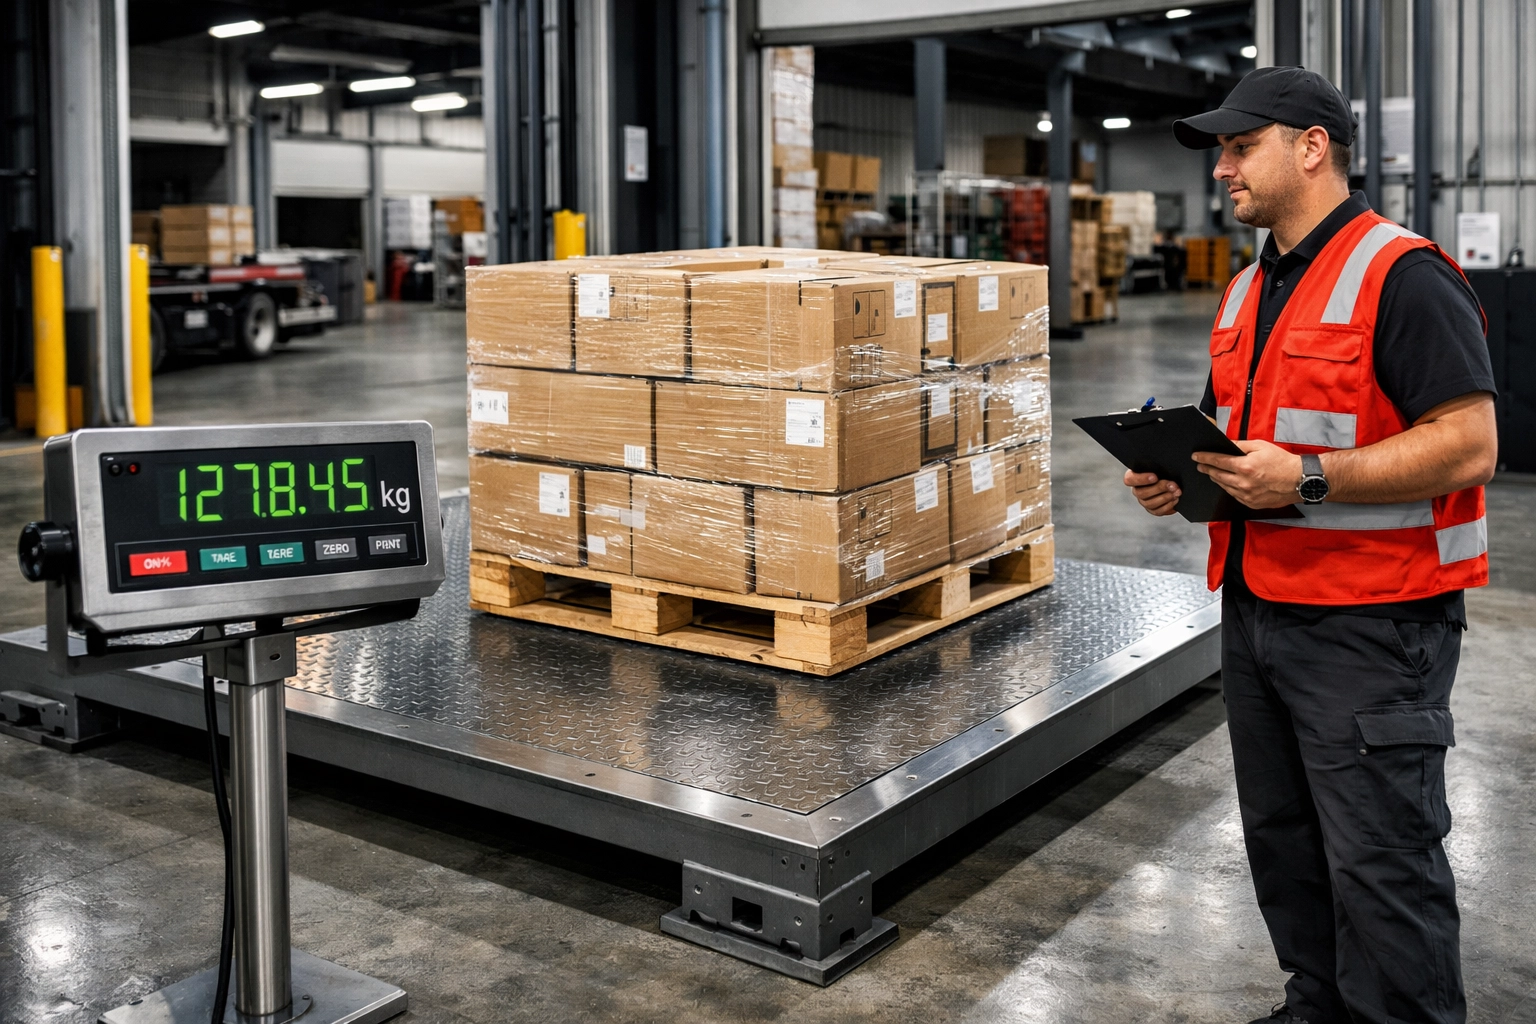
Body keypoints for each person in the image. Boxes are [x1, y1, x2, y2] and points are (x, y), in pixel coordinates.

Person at [1123, 66, 1499, 1024]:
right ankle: (1317, 1006)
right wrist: (1178, 480)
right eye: (1221, 152)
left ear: (1312, 147)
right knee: (1284, 840)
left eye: (1240, 148)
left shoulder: (1402, 275)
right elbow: (1235, 442)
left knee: (1381, 858)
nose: (1223, 170)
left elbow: (1470, 444)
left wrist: (1311, 479)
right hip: (1258, 610)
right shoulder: (1246, 289)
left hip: (1373, 625)